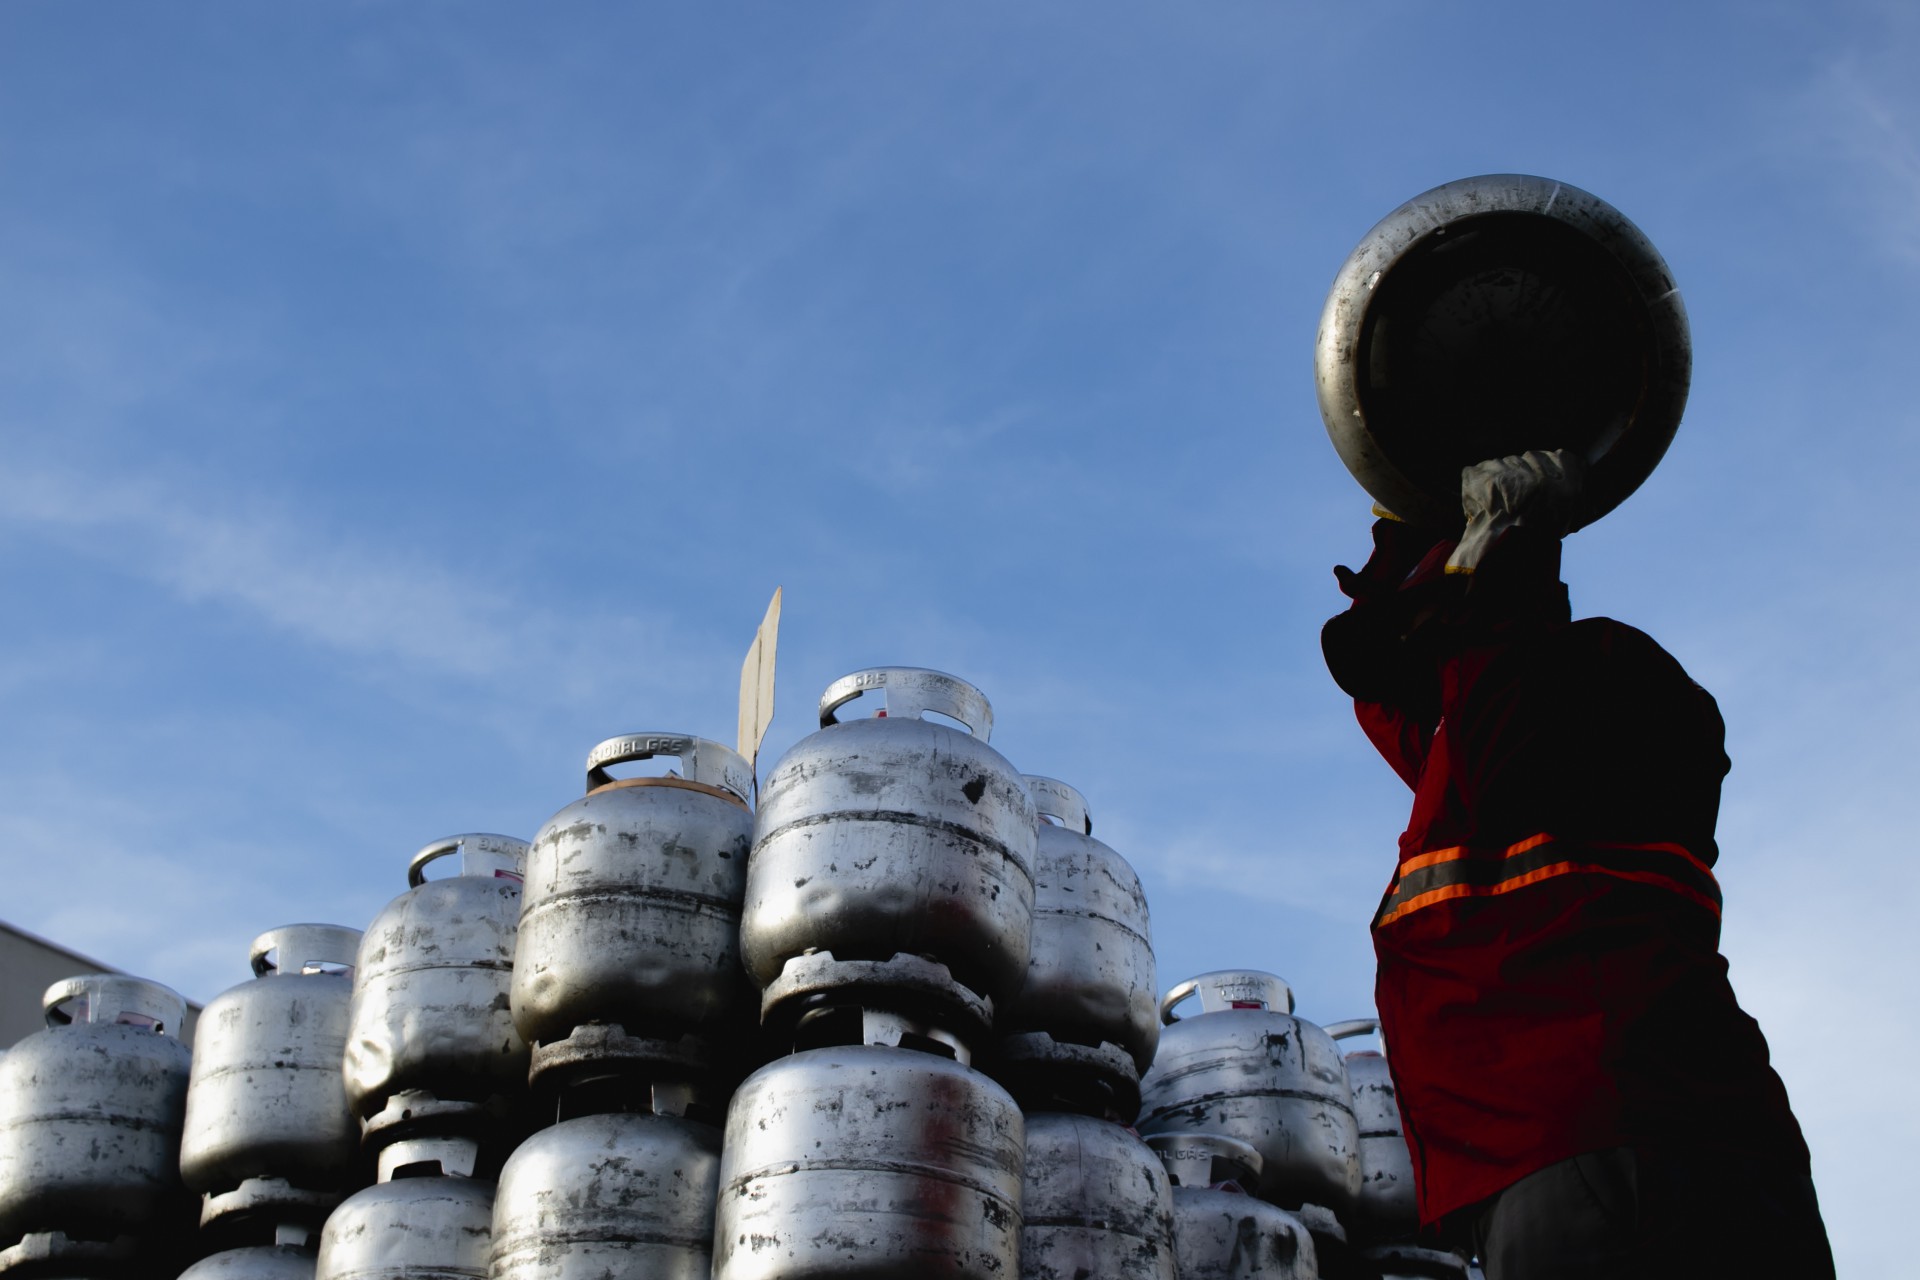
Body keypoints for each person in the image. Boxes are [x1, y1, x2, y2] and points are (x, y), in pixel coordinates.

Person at [1321, 451, 1834, 1279]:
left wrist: (1514, 554)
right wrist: (1403, 534)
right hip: (1583, 1159)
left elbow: (1506, 724)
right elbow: (1401, 695)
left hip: (1626, 1158)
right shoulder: (1469, 756)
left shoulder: (1599, 681)